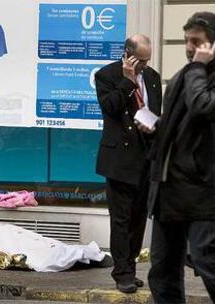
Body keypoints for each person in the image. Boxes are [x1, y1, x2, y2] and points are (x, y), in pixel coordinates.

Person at [146, 12, 215, 303]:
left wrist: (199, 67)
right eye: (187, 41)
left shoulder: (196, 73)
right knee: (162, 268)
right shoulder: (183, 75)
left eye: (196, 42)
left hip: (203, 189)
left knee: (207, 260)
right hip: (168, 188)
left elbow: (204, 107)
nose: (189, 48)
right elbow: (175, 124)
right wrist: (153, 126)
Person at [94, 34, 162, 293]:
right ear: (128, 54)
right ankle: (121, 273)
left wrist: (153, 127)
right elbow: (109, 107)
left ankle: (130, 267)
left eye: (147, 60)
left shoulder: (153, 78)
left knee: (138, 220)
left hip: (145, 157)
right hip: (119, 160)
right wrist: (128, 80)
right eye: (140, 61)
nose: (144, 66)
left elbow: (155, 112)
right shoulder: (107, 75)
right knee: (120, 220)